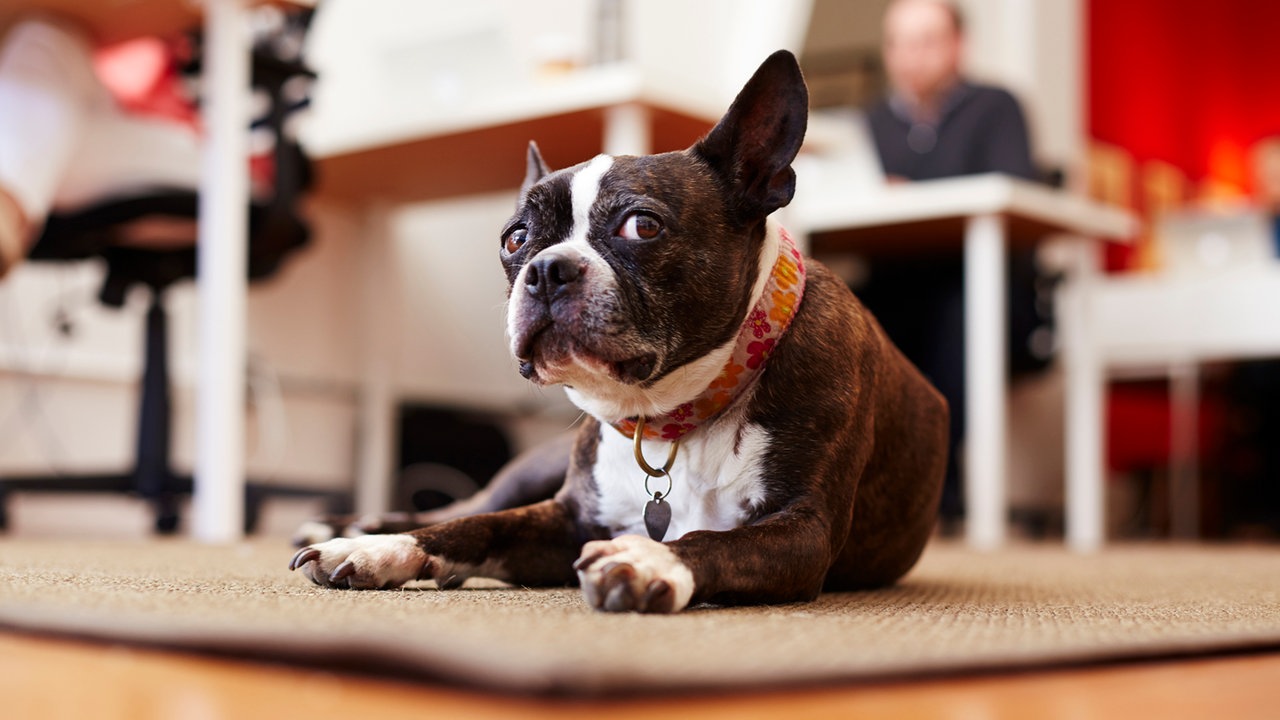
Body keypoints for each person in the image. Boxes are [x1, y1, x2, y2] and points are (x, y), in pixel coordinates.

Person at [858, 0, 1049, 530]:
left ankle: (940, 489)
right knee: (837, 312)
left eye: (926, 41)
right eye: (898, 43)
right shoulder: (870, 122)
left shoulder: (997, 107)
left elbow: (1013, 194)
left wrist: (911, 193)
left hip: (982, 288)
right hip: (896, 285)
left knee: (959, 314)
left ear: (958, 45)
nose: (910, 56)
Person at [0, 14, 205, 280]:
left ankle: (7, 205)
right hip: (98, 111)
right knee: (41, 47)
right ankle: (8, 205)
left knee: (43, 40)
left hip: (213, 146)